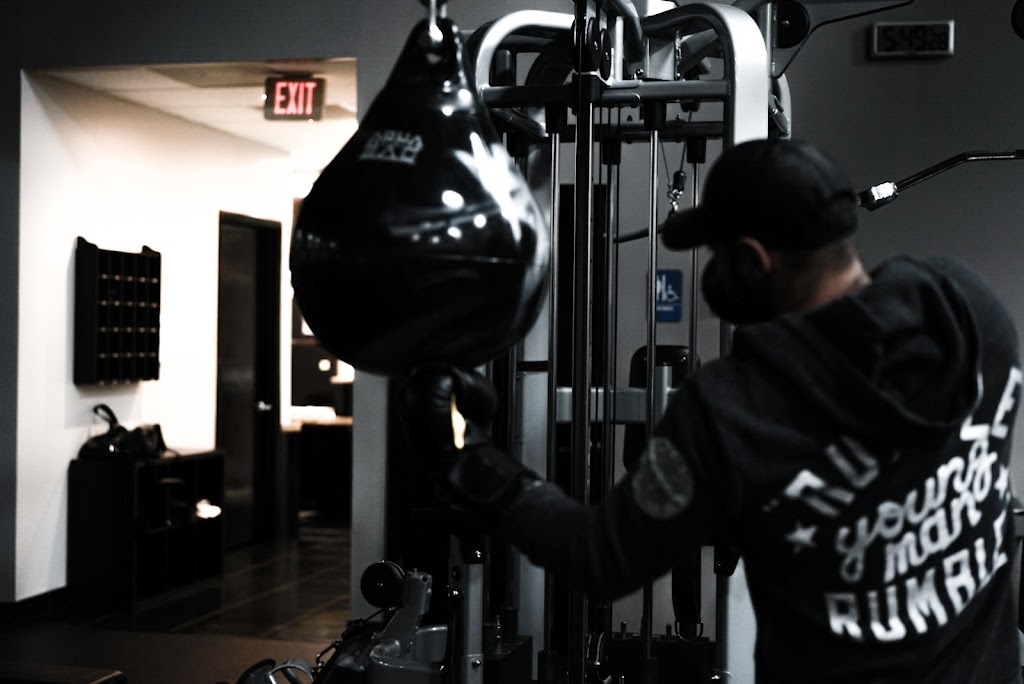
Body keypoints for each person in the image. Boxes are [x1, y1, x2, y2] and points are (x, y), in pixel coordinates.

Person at [399, 138, 1023, 683]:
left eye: (719, 256)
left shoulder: (733, 411)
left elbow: (599, 558)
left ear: (753, 260)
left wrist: (465, 458)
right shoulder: (971, 312)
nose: (712, 273)